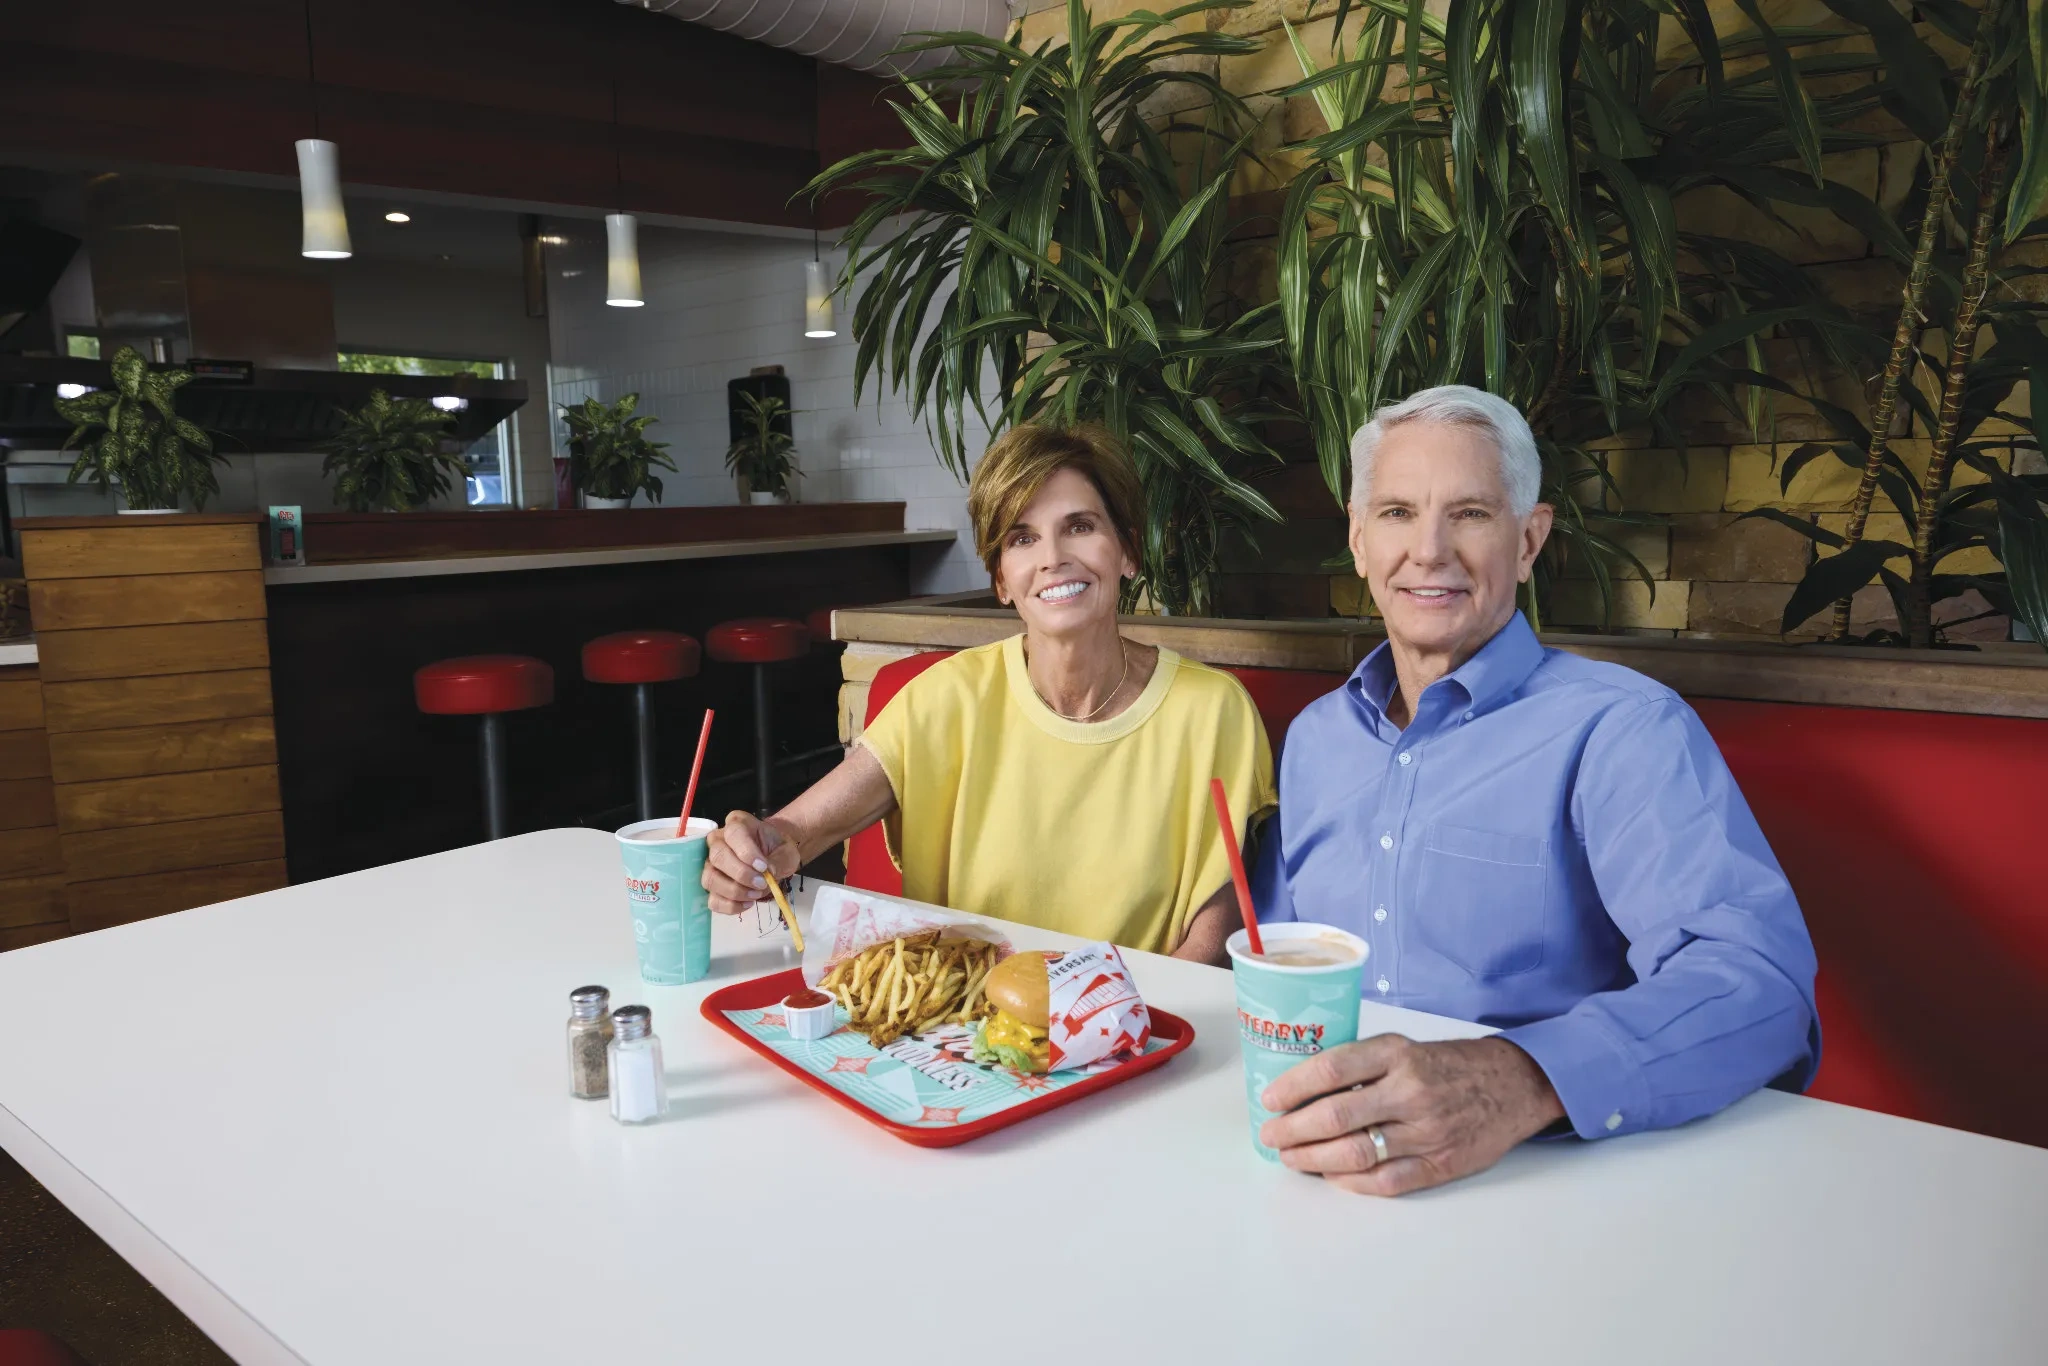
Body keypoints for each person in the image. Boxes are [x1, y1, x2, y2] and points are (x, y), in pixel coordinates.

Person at [1249, 385, 1820, 1196]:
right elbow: (1278, 953)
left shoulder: (1624, 730)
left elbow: (1757, 984)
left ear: (1529, 540)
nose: (1430, 550)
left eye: (1472, 514)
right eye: (1398, 513)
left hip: (1540, 1176)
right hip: (1313, 1165)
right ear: (1358, 540)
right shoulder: (1314, 739)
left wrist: (1516, 1079)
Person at [703, 422, 1275, 959]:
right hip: (963, 1034)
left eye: (1080, 526)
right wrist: (753, 847)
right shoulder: (944, 698)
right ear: (1002, 579)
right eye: (1022, 538)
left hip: (1137, 1031)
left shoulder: (1213, 710)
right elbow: (797, 832)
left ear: (1127, 550)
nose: (1052, 558)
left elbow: (1213, 931)